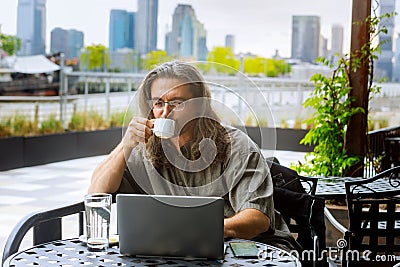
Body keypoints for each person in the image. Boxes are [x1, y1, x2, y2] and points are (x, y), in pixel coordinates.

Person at [88, 61, 300, 251]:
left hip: (253, 249)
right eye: (158, 103)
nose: (165, 112)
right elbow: (96, 193)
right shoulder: (144, 149)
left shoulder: (236, 146)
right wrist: (125, 146)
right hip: (179, 250)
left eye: (177, 103)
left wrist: (198, 230)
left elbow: (257, 219)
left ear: (200, 105)